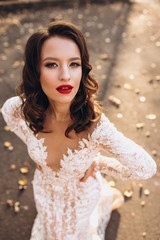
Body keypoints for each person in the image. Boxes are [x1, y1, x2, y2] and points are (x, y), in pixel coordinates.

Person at [2, 21, 156, 240]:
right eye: (52, 65)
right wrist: (32, 143)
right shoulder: (26, 107)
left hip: (79, 200)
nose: (65, 75)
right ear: (36, 71)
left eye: (74, 64)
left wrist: (97, 163)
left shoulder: (95, 126)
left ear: (82, 69)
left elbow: (146, 168)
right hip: (44, 190)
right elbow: (8, 113)